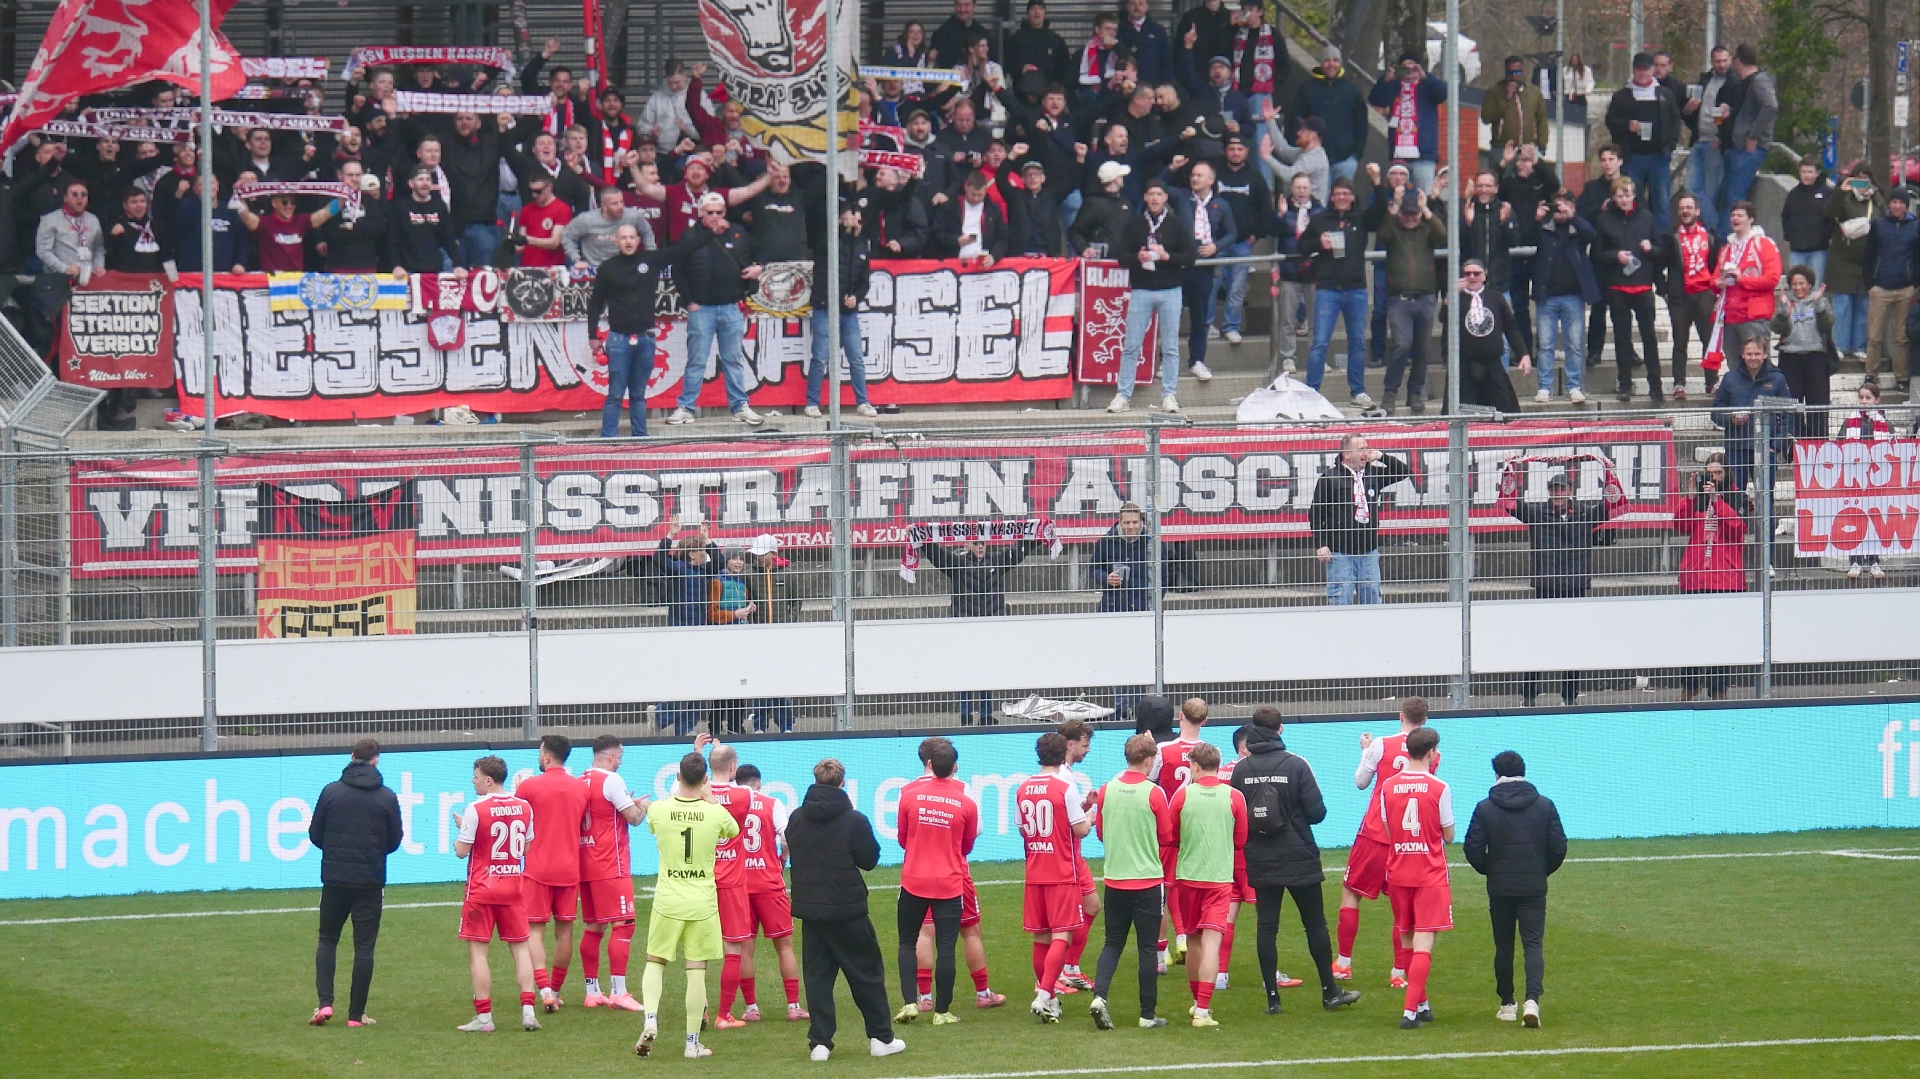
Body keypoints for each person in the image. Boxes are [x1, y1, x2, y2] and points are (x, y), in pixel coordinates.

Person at [1230, 708, 1362, 1016]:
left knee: (1266, 926)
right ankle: (1330, 991)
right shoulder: (1296, 765)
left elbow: (1235, 813)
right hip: (1299, 854)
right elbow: (1317, 813)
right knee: (1314, 923)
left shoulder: (1241, 769)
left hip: (1260, 857)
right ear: (1280, 729)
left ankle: (1273, 999)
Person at [790, 758, 904, 1060]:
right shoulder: (854, 819)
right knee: (866, 974)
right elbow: (869, 859)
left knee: (817, 980)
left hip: (812, 913)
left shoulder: (797, 818)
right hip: (847, 910)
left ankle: (820, 1043)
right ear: (843, 783)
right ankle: (881, 1037)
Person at [632, 752, 735, 1059]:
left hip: (668, 900)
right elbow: (733, 830)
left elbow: (652, 821)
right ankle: (692, 1044)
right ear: (705, 780)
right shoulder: (715, 814)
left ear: (677, 776)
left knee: (655, 961)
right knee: (696, 971)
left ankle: (650, 1018)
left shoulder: (659, 810)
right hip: (701, 902)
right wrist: (710, 799)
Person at [1334, 697, 1436, 987]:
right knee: (1403, 905)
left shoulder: (1381, 744)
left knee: (1351, 893)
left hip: (1375, 833)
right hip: (1407, 840)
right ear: (1425, 720)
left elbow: (1360, 782)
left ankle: (1343, 964)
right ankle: (1398, 973)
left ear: (1400, 715)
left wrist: (1365, 752)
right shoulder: (1432, 752)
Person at [1464, 750, 1567, 1029]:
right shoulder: (1544, 805)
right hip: (1533, 885)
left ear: (1497, 774)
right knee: (1533, 944)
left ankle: (1507, 1003)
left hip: (1500, 886)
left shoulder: (1485, 807)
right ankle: (1532, 1000)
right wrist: (1540, 869)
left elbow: (1472, 847)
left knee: (1504, 946)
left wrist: (1491, 869)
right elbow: (1558, 846)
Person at [307, 739, 403, 1028]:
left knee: (327, 939)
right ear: (376, 761)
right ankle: (355, 1015)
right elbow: (394, 840)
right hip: (370, 881)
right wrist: (372, 853)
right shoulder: (387, 796)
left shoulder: (331, 791)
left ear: (351, 757)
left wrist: (336, 851)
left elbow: (315, 833)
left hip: (335, 878)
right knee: (364, 947)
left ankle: (325, 1004)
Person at [587, 222, 714, 438]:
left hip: (646, 338)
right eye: (623, 238)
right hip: (618, 339)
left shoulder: (650, 260)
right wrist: (592, 335)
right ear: (616, 241)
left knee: (638, 394)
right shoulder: (607, 268)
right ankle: (608, 440)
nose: (628, 241)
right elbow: (595, 303)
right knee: (615, 394)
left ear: (638, 240)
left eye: (632, 237)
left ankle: (640, 438)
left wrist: (712, 233)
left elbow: (683, 249)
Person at [892, 736, 980, 1027]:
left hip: (914, 880)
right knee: (947, 947)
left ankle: (909, 1003)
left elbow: (903, 838)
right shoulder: (966, 802)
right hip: (949, 883)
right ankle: (942, 1011)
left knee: (907, 941)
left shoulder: (908, 795)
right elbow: (967, 846)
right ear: (955, 768)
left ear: (929, 765)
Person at [1089, 733, 1174, 1029]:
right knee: (1147, 949)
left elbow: (1100, 832)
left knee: (1112, 943)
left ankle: (1100, 996)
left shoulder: (1108, 789)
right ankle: (1147, 1014)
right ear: (1149, 760)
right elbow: (1167, 836)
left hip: (1115, 880)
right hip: (1148, 881)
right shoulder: (1154, 793)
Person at [452, 755, 542, 1033]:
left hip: (482, 889)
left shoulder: (476, 808)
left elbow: (461, 851)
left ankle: (485, 1018)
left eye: (476, 776)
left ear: (489, 780)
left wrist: (462, 830)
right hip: (513, 888)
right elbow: (525, 849)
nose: (473, 780)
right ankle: (528, 1012)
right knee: (521, 950)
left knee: (479, 954)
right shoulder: (524, 807)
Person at [1506, 472, 1612, 706]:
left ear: (1570, 491)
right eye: (1554, 489)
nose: (1558, 493)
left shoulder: (1585, 514)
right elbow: (1509, 504)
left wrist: (1610, 473)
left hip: (1575, 588)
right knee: (1539, 643)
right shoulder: (1537, 513)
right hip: (1546, 588)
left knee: (1573, 644)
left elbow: (1614, 504)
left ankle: (1569, 697)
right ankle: (1529, 697)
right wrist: (1509, 471)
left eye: (1562, 488)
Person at [914, 533, 1042, 723]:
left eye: (982, 543)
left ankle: (985, 715)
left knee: (987, 671)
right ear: (967, 545)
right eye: (976, 543)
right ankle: (965, 714)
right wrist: (921, 539)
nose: (980, 547)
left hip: (990, 626)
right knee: (964, 670)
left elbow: (1018, 552)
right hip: (964, 626)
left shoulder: (997, 561)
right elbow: (937, 555)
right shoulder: (957, 563)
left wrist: (1036, 537)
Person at [1165, 742, 1245, 1029]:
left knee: (1194, 940)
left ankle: (1197, 1002)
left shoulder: (1182, 795)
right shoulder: (1234, 797)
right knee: (1212, 942)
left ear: (1195, 766)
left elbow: (1170, 834)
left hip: (1188, 877)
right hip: (1219, 879)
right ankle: (1202, 1009)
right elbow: (1241, 839)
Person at [667, 192, 765, 426]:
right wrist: (689, 301)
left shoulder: (738, 232)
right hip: (703, 309)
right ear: (701, 213)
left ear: (725, 213)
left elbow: (761, 249)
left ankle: (740, 406)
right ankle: (686, 408)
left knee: (733, 359)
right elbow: (677, 270)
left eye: (718, 213)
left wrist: (758, 267)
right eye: (709, 213)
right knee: (697, 360)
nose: (714, 217)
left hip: (731, 307)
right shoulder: (690, 235)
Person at [1379, 725, 1451, 1030]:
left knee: (1407, 938)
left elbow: (1388, 831)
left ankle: (1421, 1003)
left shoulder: (1388, 786)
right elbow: (1448, 835)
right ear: (1432, 753)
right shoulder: (1439, 787)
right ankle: (1410, 1011)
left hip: (1398, 872)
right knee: (1424, 943)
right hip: (1430, 874)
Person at [1019, 732, 1093, 1023]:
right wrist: (1090, 818)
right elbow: (1080, 830)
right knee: (1062, 934)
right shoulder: (1065, 786)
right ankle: (1044, 994)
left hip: (1035, 870)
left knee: (1041, 938)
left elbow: (1023, 828)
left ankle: (1047, 996)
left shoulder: (1023, 786)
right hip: (1062, 871)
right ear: (1063, 753)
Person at [514, 735, 590, 1012]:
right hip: (570, 868)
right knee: (565, 931)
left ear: (546, 757)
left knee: (534, 930)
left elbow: (516, 821)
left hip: (537, 868)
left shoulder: (529, 786)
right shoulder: (581, 788)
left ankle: (544, 989)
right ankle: (556, 991)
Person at [1110, 180, 1195, 413]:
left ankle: (1169, 395)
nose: (1155, 198)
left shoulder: (1177, 225)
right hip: (1142, 290)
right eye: (1151, 194)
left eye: (1159, 194)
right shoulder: (1135, 225)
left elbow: (1190, 256)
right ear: (1145, 198)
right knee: (1131, 345)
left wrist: (1167, 257)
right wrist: (1137, 258)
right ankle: (1123, 395)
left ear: (1165, 197)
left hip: (1170, 290)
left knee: (1170, 346)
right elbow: (1120, 258)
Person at [732, 763, 809, 1019]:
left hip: (739, 885)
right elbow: (787, 835)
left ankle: (751, 1008)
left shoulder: (729, 803)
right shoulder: (771, 803)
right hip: (769, 883)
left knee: (745, 949)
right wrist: (783, 857)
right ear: (759, 783)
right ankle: (793, 1006)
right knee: (784, 947)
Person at [578, 734, 648, 1010]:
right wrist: (641, 805)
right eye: (619, 757)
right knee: (625, 924)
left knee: (594, 927)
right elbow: (633, 817)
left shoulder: (581, 779)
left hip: (586, 861)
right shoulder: (611, 780)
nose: (620, 763)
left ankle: (592, 991)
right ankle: (619, 991)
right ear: (609, 756)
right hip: (610, 863)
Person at [1673, 456, 1748, 700]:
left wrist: (1717, 502)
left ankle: (1717, 690)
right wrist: (1691, 497)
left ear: (1726, 475)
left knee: (1720, 640)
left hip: (1725, 579)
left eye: (1717, 473)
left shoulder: (1738, 498)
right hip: (1696, 577)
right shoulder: (1696, 501)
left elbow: (1738, 528)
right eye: (1709, 473)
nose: (1713, 478)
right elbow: (1680, 526)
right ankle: (1690, 685)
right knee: (1690, 637)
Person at [1309, 435, 1413, 605]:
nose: (1366, 453)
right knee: (1340, 598)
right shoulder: (1330, 478)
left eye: (1367, 448)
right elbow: (1316, 513)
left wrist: (1380, 456)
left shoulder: (1373, 474)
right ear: (1347, 454)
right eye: (1361, 449)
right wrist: (1321, 544)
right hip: (1340, 552)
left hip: (1368, 551)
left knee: (1372, 596)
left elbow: (1404, 471)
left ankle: (1371, 630)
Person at [1374, 189, 1447, 413]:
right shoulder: (1393, 231)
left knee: (1422, 349)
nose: (1410, 217)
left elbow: (1443, 236)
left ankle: (1414, 393)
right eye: (1407, 214)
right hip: (1400, 299)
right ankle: (1390, 392)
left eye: (1414, 214)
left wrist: (1426, 209)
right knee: (1401, 344)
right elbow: (1382, 236)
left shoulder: (1427, 231)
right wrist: (1394, 208)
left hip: (1425, 299)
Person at [1594, 179, 1664, 403]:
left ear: (1634, 195)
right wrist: (1616, 256)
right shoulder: (1604, 220)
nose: (1624, 199)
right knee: (1622, 338)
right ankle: (1625, 384)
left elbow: (1661, 250)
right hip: (1617, 287)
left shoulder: (1647, 218)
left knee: (1649, 338)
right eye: (1619, 195)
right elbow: (1596, 254)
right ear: (1613, 197)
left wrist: (1650, 249)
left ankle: (1656, 387)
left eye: (1628, 195)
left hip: (1643, 286)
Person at [1300, 178, 1369, 401]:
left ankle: (1357, 391)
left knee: (1357, 341)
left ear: (1352, 196)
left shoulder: (1360, 218)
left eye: (1345, 194)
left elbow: (1379, 212)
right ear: (1331, 196)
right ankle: (1312, 391)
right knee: (1320, 341)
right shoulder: (1320, 220)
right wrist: (1318, 243)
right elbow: (1301, 246)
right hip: (1327, 289)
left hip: (1356, 289)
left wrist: (1377, 182)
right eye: (1337, 194)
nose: (1341, 198)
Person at [1168, 161, 1236, 383]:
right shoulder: (1181, 197)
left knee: (1200, 318)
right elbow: (1157, 186)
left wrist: (1216, 247)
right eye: (1193, 175)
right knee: (1171, 316)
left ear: (1211, 180)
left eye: (1200, 175)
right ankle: (1166, 361)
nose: (1195, 179)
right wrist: (1171, 168)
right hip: (1180, 266)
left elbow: (1232, 233)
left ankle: (1196, 360)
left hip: (1204, 268)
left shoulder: (1221, 204)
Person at [1531, 188, 1597, 403]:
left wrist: (1572, 217)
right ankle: (1544, 387)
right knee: (1545, 345)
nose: (1559, 209)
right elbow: (1523, 238)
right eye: (1556, 204)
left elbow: (1593, 235)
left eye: (1564, 204)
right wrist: (1537, 219)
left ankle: (1574, 385)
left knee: (1575, 344)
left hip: (1573, 296)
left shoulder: (1578, 229)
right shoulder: (1543, 227)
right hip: (1546, 296)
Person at [1603, 53, 1681, 230]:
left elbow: (1675, 120)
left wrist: (1670, 146)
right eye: (1639, 69)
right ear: (1633, 71)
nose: (1642, 73)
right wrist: (1626, 126)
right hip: (1632, 157)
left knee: (1661, 203)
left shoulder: (1664, 95)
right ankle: (1634, 237)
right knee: (1631, 200)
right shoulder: (1622, 96)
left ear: (1652, 70)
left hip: (1659, 157)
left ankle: (1661, 244)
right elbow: (1610, 121)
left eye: (1646, 69)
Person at [1655, 192, 1722, 400]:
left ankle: (1711, 382)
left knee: (1708, 340)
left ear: (1697, 211)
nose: (1685, 211)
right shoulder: (1670, 237)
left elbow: (1717, 266)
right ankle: (1679, 384)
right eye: (1682, 208)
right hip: (1679, 297)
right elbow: (1658, 264)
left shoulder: (1710, 236)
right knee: (1679, 341)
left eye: (1689, 208)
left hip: (1704, 294)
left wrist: (1715, 292)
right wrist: (1663, 290)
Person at [1712, 336, 1791, 493]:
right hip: (1736, 449)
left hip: (1765, 449)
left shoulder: (1777, 379)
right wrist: (1731, 419)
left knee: (1766, 499)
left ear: (1765, 355)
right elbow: (1716, 412)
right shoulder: (1730, 378)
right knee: (1734, 495)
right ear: (1743, 355)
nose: (1753, 358)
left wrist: (1775, 446)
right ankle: (1737, 519)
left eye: (1757, 353)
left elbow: (1788, 416)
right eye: (1749, 354)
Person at [1770, 265, 1837, 436]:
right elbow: (1776, 328)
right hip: (1790, 358)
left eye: (1802, 283)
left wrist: (1819, 306)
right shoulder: (1786, 301)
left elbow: (1828, 323)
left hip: (1816, 357)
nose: (1798, 287)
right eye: (1794, 284)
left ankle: (1819, 444)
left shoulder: (1819, 299)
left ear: (1809, 284)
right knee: (1792, 405)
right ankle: (1795, 445)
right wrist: (1783, 312)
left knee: (1818, 404)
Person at [1862, 188, 1918, 390]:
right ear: (1889, 204)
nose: (1897, 206)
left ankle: (1901, 377)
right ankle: (1871, 376)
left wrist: (1915, 284)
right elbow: (1867, 255)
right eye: (1893, 202)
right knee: (1874, 335)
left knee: (1902, 337)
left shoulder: (1915, 226)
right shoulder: (1878, 225)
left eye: (1901, 203)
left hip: (1906, 289)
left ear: (1906, 205)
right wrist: (1870, 284)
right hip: (1880, 288)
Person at [1367, 54, 1447, 193]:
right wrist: (1386, 81)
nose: (1409, 72)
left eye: (1413, 68)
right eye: (1405, 68)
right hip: (1399, 156)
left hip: (1424, 154)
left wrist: (1425, 76)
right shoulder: (1394, 86)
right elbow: (1376, 99)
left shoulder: (1426, 87)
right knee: (1399, 197)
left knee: (1424, 198)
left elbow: (1443, 94)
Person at [1455, 260, 1529, 411]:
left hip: (1492, 363)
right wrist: (1449, 299)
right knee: (1464, 412)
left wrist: (1524, 354)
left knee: (1505, 409)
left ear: (1484, 276)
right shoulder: (1456, 299)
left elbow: (1511, 327)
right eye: (1467, 274)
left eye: (1476, 273)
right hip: (1465, 366)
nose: (1472, 277)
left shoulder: (1495, 297)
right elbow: (1444, 320)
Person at [1825, 166, 1881, 364]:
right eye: (1858, 179)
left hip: (1866, 263)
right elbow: (1829, 211)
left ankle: (1859, 346)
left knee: (1863, 307)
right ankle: (1839, 346)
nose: (1862, 183)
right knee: (1842, 306)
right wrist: (1843, 190)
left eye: (1866, 179)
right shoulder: (1844, 198)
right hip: (1842, 261)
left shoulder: (1877, 200)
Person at [1714, 201, 1782, 363]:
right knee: (1735, 367)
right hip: (1729, 316)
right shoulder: (1727, 249)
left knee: (1759, 365)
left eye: (1740, 215)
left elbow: (1772, 279)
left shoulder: (1764, 244)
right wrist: (1718, 283)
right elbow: (1714, 278)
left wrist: (1742, 279)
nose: (1735, 219)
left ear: (1750, 219)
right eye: (1733, 215)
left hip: (1754, 315)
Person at [1838, 382, 1893, 579]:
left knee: (1875, 518)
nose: (1863, 401)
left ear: (1877, 400)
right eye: (1861, 397)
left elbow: (1893, 450)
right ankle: (1854, 560)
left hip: (1877, 481)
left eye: (1868, 398)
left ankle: (1874, 561)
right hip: (1855, 480)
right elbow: (1839, 445)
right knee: (1854, 517)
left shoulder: (1885, 424)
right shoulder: (1849, 422)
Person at [1720, 44, 1777, 233]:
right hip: (1736, 146)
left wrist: (1754, 136)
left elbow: (1770, 106)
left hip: (1750, 148)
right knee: (1726, 194)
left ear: (1738, 61)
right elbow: (1748, 112)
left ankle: (1729, 241)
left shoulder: (1760, 81)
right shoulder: (1745, 84)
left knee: (1735, 197)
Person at [1269, 173, 1321, 379]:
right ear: (1292, 189)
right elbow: (1270, 230)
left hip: (1314, 272)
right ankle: (1287, 358)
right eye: (1297, 187)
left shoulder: (1319, 211)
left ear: (1310, 189)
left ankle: (1316, 357)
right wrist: (1280, 215)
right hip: (1290, 272)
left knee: (1316, 319)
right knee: (1287, 320)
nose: (1301, 191)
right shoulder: (1284, 210)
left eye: (1304, 187)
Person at [1291, 45, 1368, 183]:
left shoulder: (1352, 91)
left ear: (1340, 63)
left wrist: (1356, 154)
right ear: (1321, 63)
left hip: (1345, 161)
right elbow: (1294, 121)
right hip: (1314, 159)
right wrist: (1299, 150)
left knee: (1343, 202)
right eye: (1327, 60)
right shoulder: (1307, 89)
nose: (1331, 64)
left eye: (1335, 60)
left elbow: (1361, 125)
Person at [1685, 46, 1733, 229]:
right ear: (1712, 62)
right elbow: (1690, 115)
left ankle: (1715, 233)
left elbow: (1735, 115)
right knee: (1691, 189)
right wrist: (1688, 110)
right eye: (1717, 61)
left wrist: (1720, 138)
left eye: (1724, 60)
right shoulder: (1705, 80)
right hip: (1699, 140)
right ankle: (1717, 229)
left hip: (1715, 143)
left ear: (1730, 60)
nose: (1721, 65)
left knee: (1709, 192)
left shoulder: (1734, 82)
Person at [236, 191, 335, 273]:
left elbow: (326, 213)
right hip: (271, 281)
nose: (289, 206)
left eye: (293, 203)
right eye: (284, 202)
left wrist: (343, 197)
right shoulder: (265, 223)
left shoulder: (301, 221)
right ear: (274, 203)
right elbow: (246, 216)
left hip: (295, 280)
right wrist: (239, 194)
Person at [1782, 157, 1834, 284]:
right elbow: (1786, 216)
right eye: (1803, 172)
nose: (1806, 175)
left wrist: (1825, 236)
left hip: (1818, 249)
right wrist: (1789, 236)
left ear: (1817, 173)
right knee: (1795, 286)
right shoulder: (1793, 194)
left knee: (1816, 286)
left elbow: (1832, 218)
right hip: (1796, 248)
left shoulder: (1827, 193)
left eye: (1810, 172)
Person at [1116, 0, 1173, 86]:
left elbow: (1167, 59)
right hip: (1126, 86)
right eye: (1133, 3)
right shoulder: (1117, 30)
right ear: (1127, 6)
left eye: (1141, 3)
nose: (1137, 7)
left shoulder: (1158, 30)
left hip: (1154, 85)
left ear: (1147, 7)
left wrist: (1165, 84)